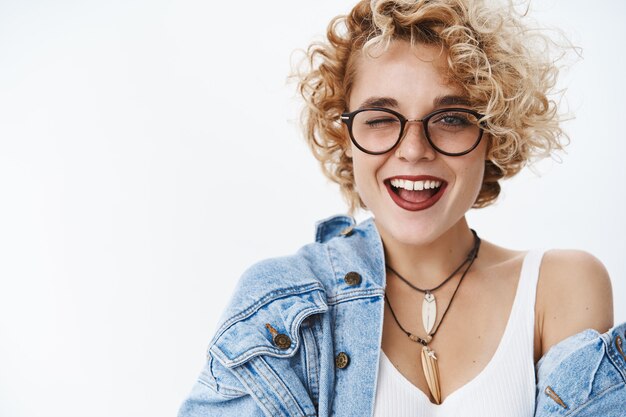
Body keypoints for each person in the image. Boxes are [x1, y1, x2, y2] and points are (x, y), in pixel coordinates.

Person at [178, 0, 621, 415]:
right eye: (381, 119)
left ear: (494, 133)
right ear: (344, 135)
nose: (413, 150)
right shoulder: (285, 309)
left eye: (451, 118)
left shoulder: (561, 287)